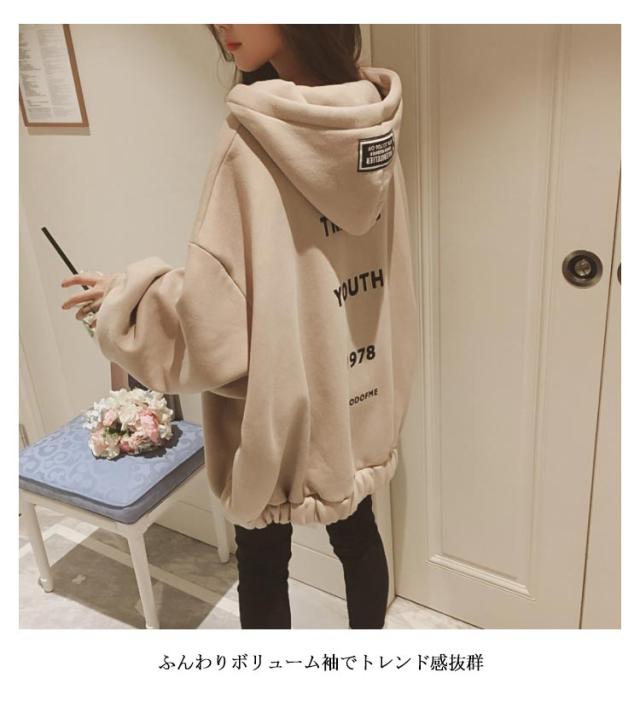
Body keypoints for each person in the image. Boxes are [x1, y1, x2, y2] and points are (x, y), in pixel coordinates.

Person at [60, 25, 419, 629]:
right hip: (358, 388)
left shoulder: (250, 138)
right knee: (358, 532)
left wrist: (126, 298)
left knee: (261, 560)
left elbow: (216, 317)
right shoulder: (369, 123)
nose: (221, 21)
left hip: (278, 400)